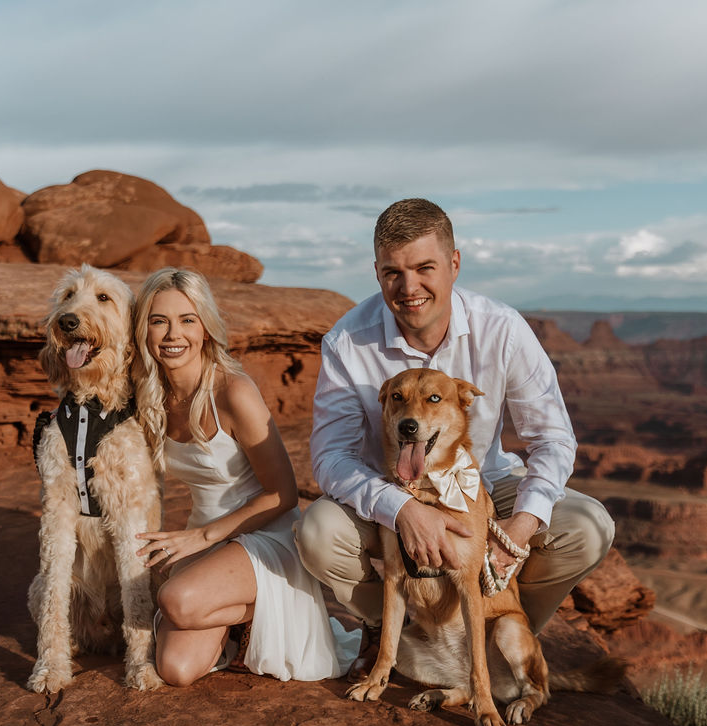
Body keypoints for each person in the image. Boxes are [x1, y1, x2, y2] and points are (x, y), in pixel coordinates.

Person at [293, 198, 615, 678]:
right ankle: (393, 629)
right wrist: (402, 510)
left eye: (425, 267)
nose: (408, 288)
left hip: (483, 484)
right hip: (393, 486)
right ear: (377, 273)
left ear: (454, 263)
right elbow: (331, 456)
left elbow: (552, 438)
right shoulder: (347, 342)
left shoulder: (501, 329)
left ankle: (492, 634)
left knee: (588, 528)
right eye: (392, 273)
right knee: (318, 534)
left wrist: (516, 535)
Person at [133, 268, 356, 686]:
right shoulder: (148, 396)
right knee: (176, 671)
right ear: (143, 328)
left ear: (205, 327)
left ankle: (279, 599)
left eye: (187, 319)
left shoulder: (233, 392)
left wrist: (199, 540)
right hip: (208, 533)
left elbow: (285, 494)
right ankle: (241, 623)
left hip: (265, 535)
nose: (172, 334)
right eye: (158, 320)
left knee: (175, 599)